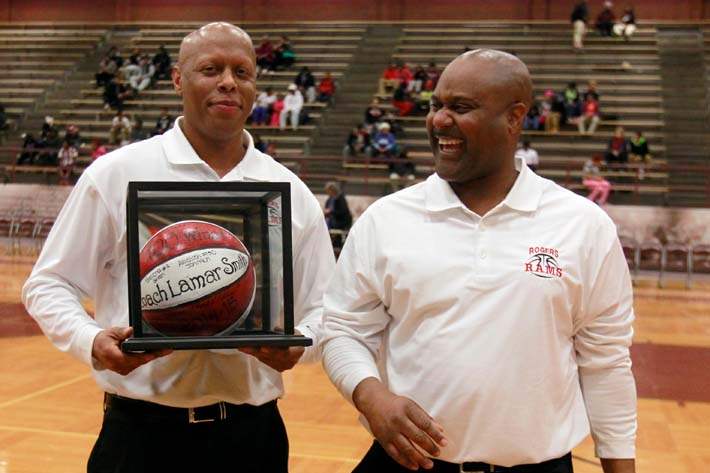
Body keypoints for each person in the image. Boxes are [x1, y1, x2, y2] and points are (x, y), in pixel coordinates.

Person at [22, 22, 334, 473]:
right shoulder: (115, 174)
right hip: (139, 436)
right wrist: (90, 340)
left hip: (252, 438)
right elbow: (48, 283)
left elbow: (326, 308)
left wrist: (299, 346)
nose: (228, 81)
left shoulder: (289, 190)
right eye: (211, 69)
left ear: (254, 87)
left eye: (242, 72)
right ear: (176, 80)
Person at [321, 49, 636, 473]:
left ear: (514, 117)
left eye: (461, 107)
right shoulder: (386, 219)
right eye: (436, 105)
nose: (439, 120)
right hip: (410, 463)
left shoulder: (583, 226)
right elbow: (342, 330)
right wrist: (371, 395)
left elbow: (607, 362)